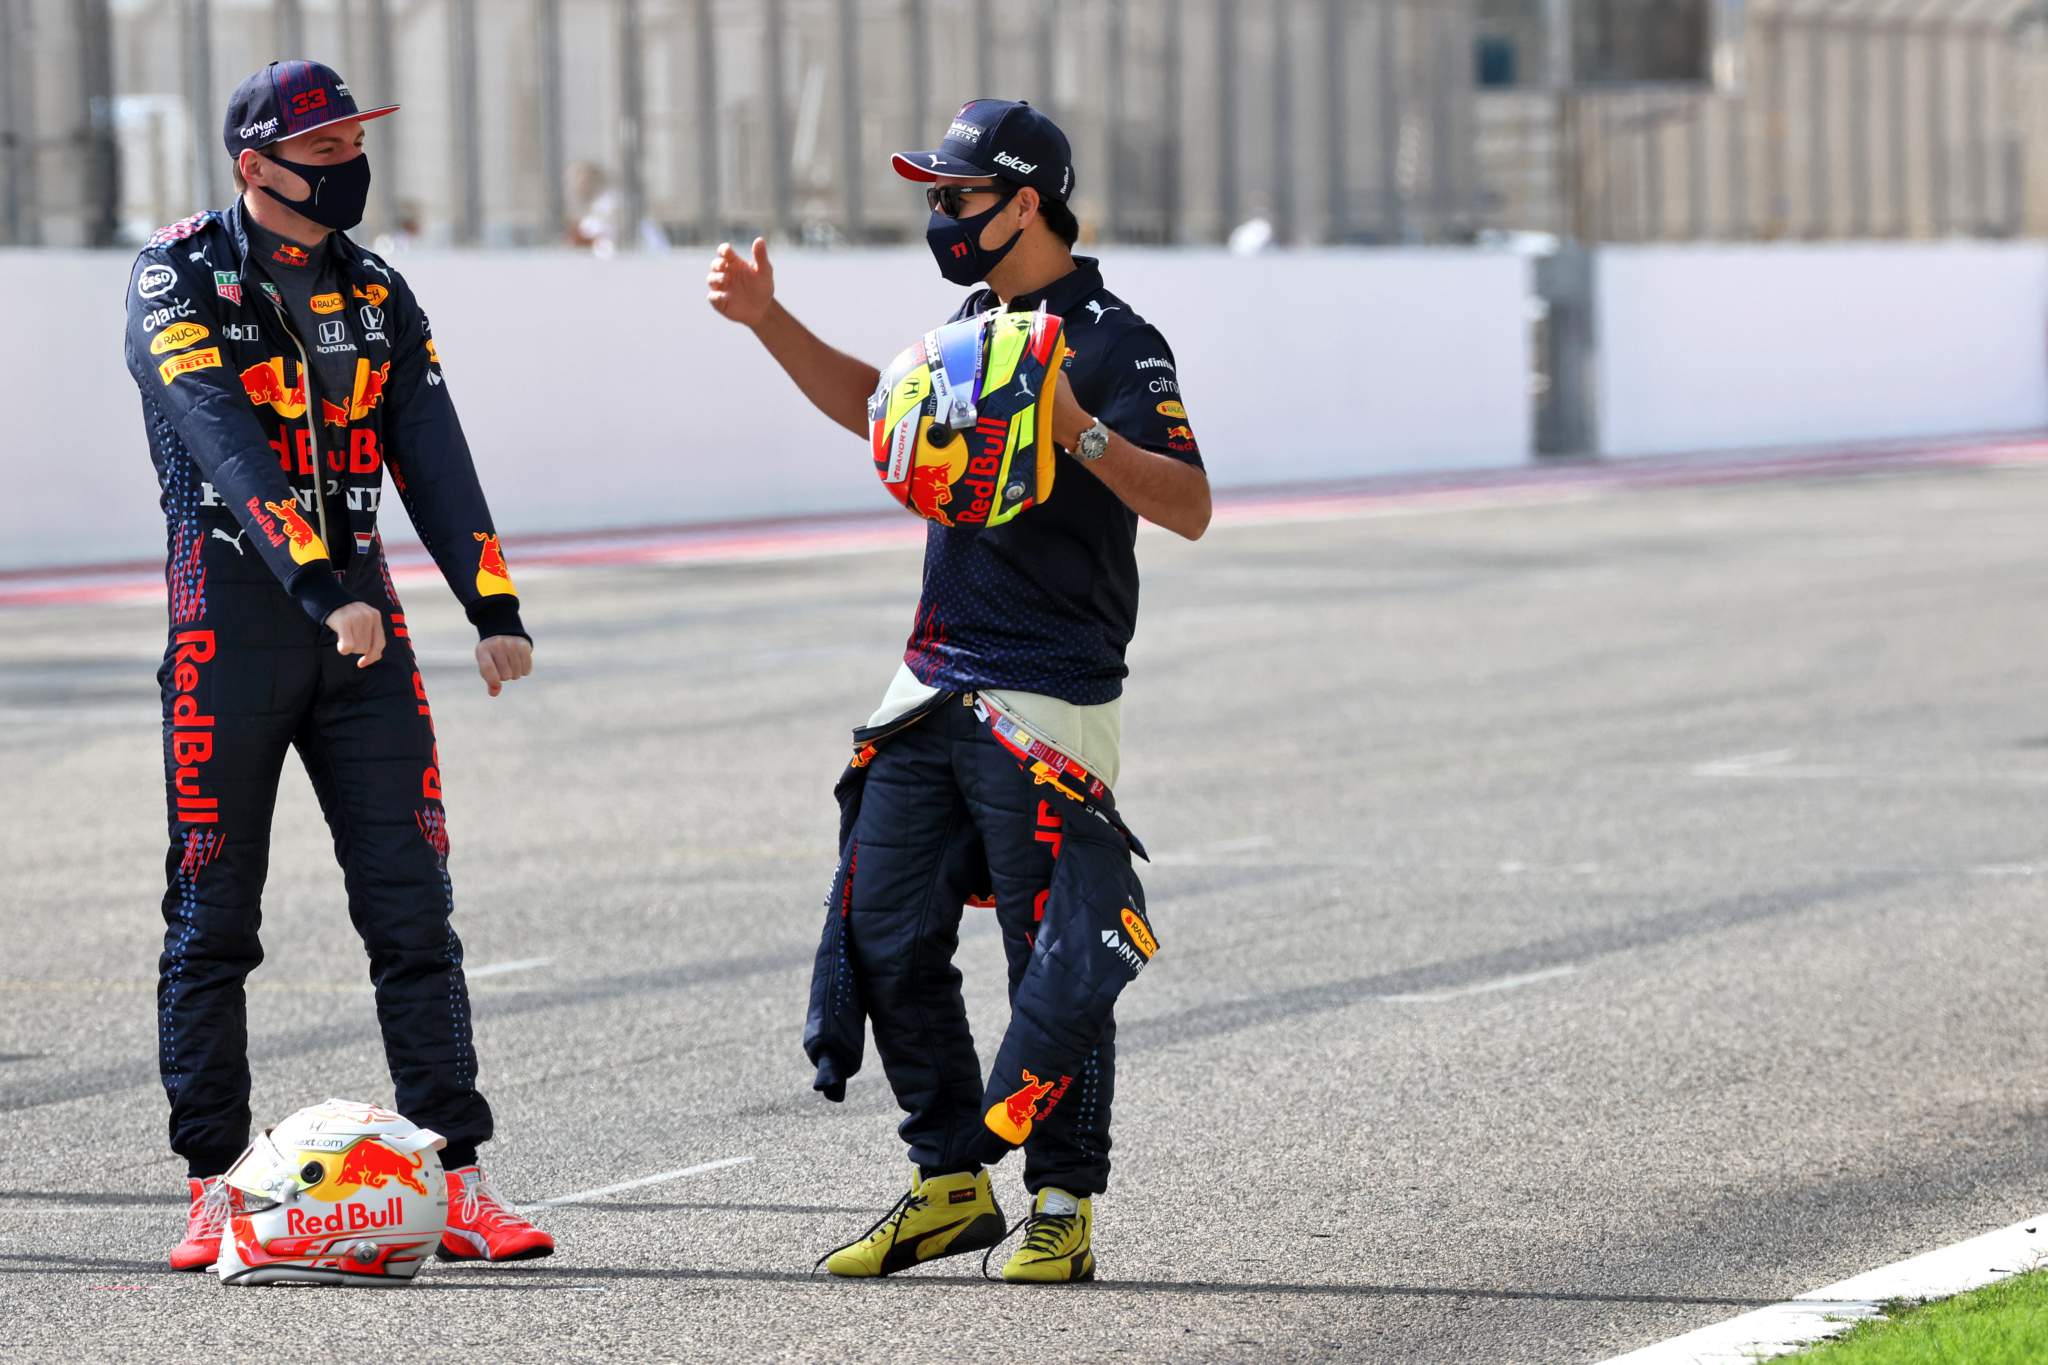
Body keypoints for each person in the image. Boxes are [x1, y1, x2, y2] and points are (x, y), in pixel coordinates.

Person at [707, 98, 1210, 1282]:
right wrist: (772, 321)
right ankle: (947, 1184)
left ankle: (1060, 1208)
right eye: (932, 196)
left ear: (1025, 201)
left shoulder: (1114, 338)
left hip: (1049, 693)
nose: (938, 216)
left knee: (1054, 958)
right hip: (931, 678)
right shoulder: (964, 323)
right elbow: (872, 414)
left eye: (956, 196)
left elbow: (1186, 505)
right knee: (879, 935)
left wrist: (1077, 429)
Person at [122, 59, 553, 1271]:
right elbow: (219, 441)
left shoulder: (378, 287)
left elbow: (432, 445)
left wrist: (493, 600)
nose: (347, 165)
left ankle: (457, 1176)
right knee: (213, 918)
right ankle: (213, 1183)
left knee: (416, 913)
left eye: (355, 141)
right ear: (254, 164)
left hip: (362, 625)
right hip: (232, 618)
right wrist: (319, 589)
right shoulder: (176, 271)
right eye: (321, 149)